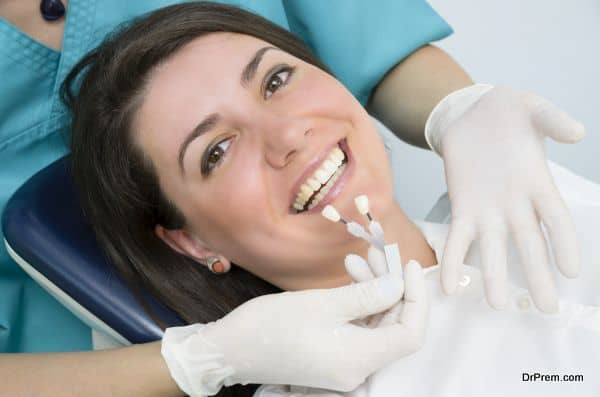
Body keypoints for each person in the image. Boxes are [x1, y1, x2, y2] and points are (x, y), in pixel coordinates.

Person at [0, 0, 584, 396]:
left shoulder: (550, 200)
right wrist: (200, 360)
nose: (285, 137)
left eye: (276, 80)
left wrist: (463, 109)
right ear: (191, 240)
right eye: (217, 152)